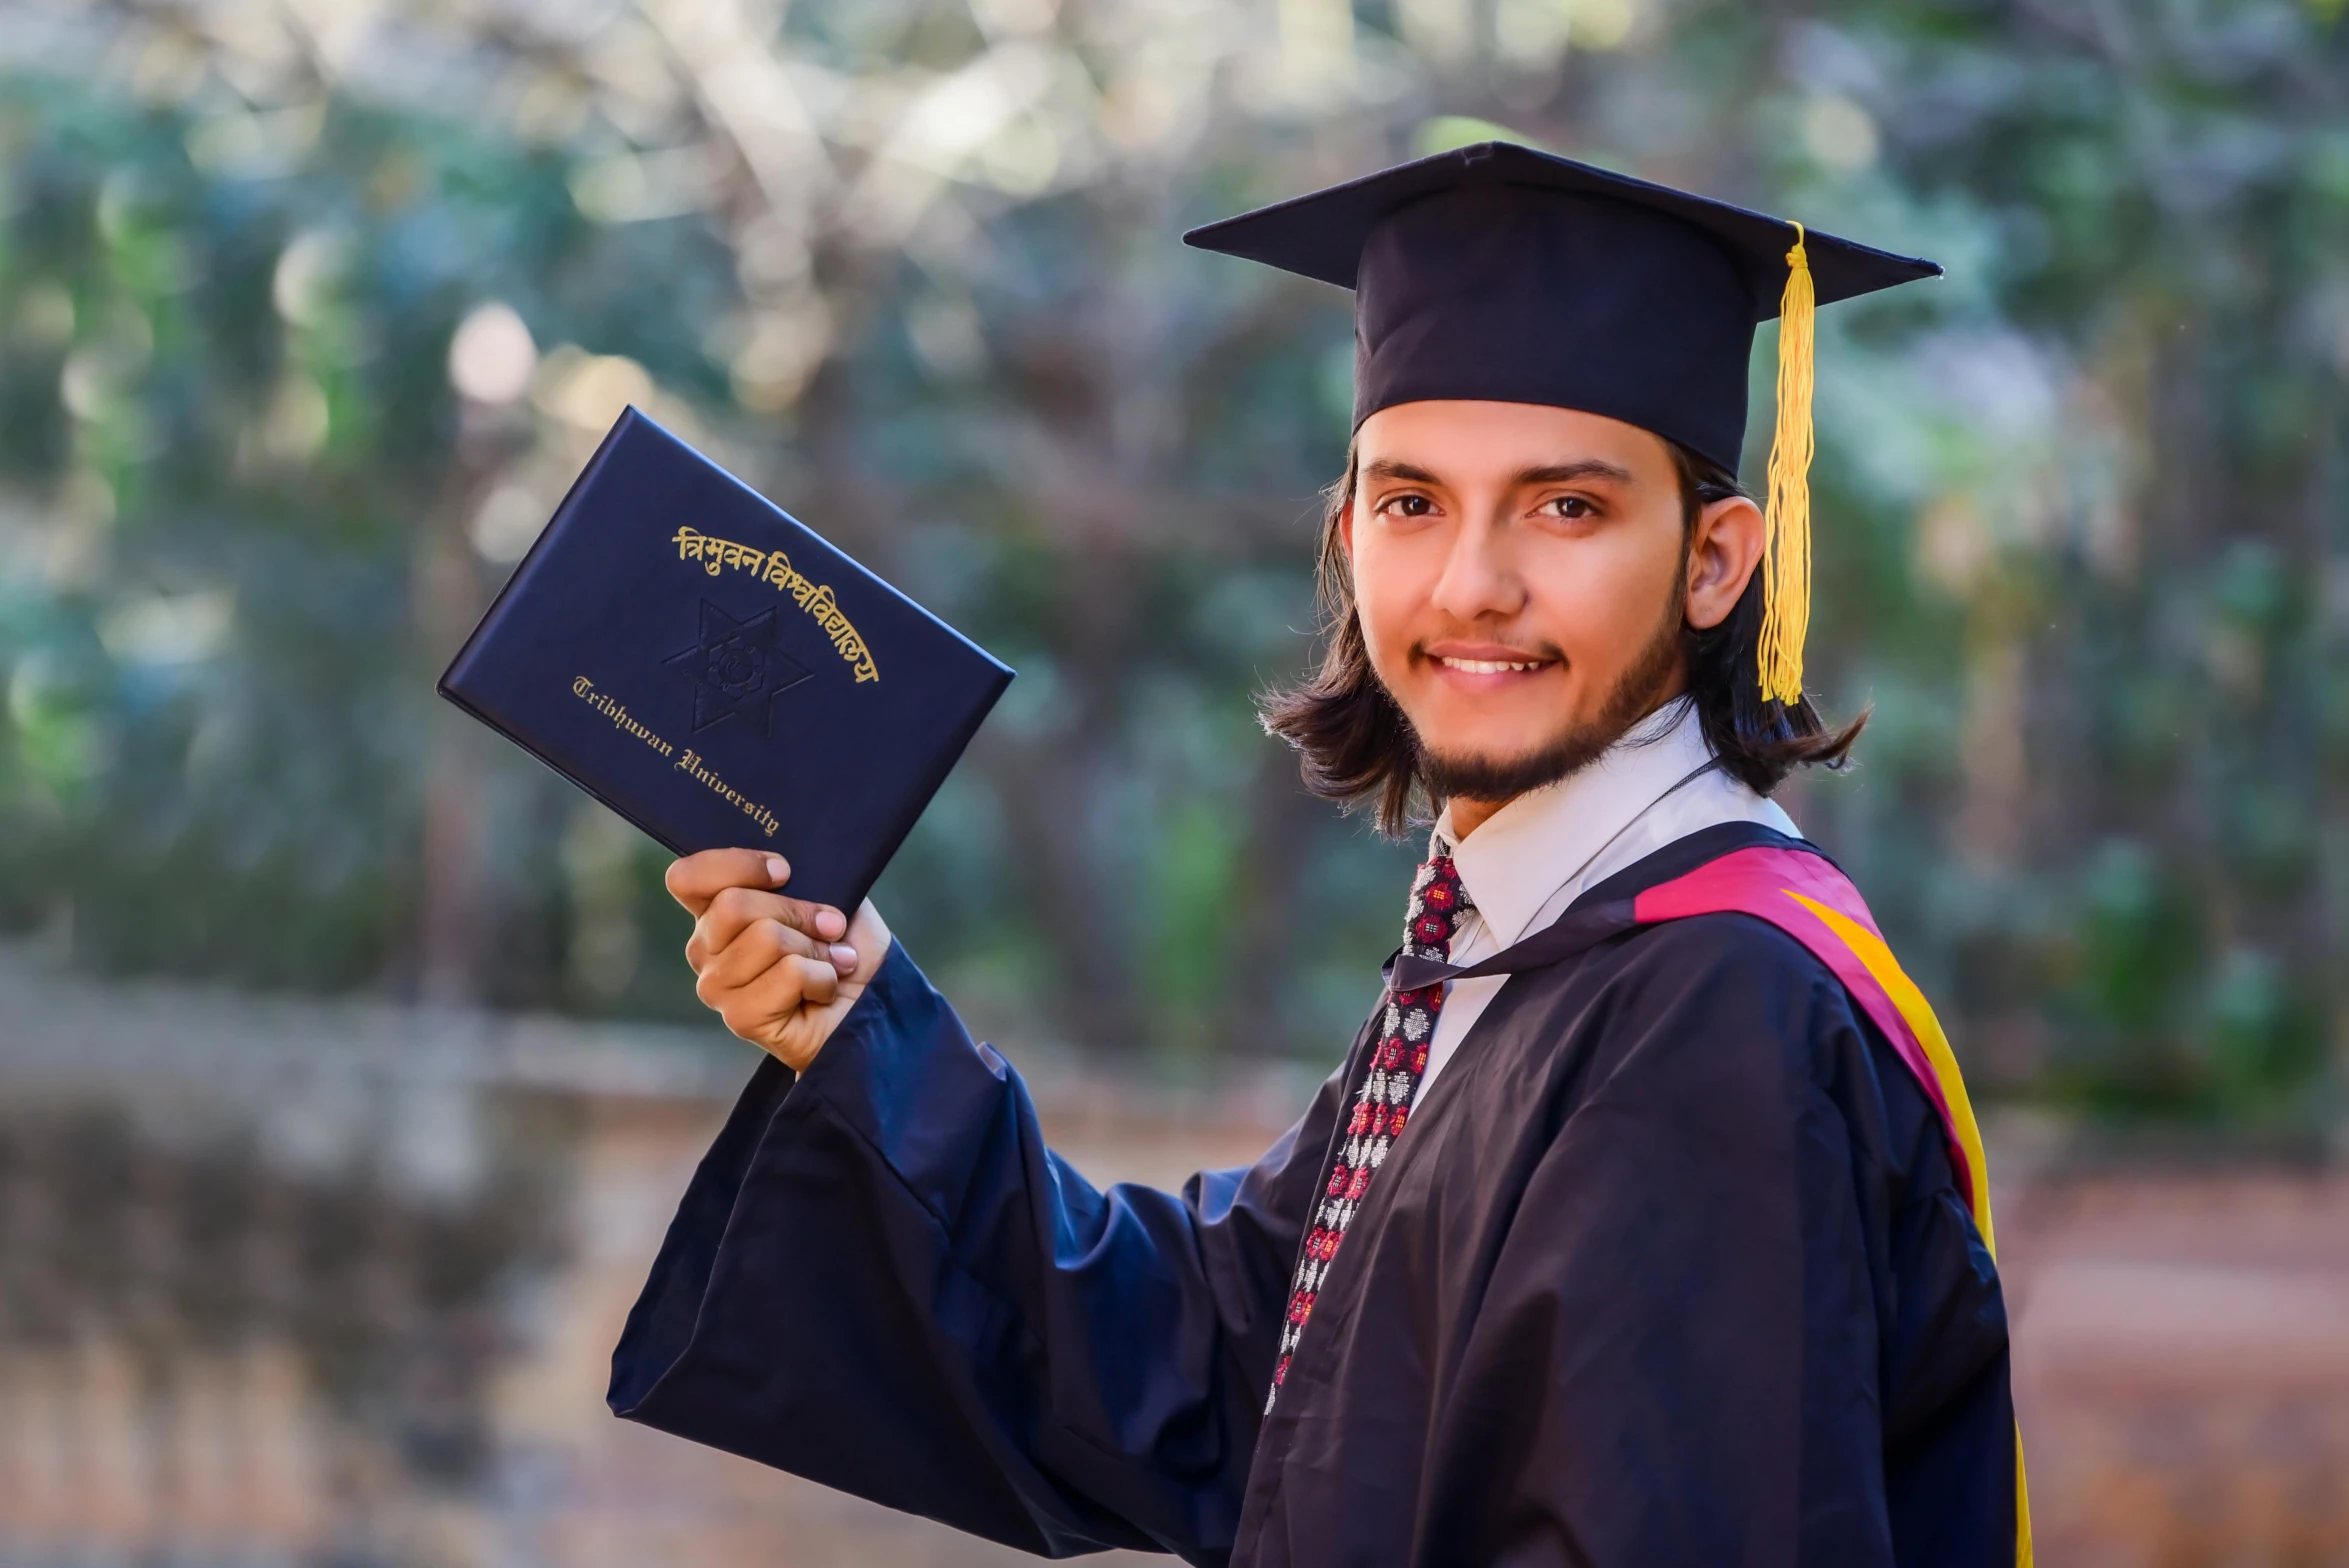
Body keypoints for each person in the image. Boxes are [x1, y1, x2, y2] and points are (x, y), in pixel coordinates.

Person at [608, 142, 2030, 1567]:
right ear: (1350, 537)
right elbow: (1242, 1375)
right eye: (1414, 503)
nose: (1473, 584)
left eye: (1567, 507)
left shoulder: (1719, 1010)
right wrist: (866, 1029)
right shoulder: (1525, 950)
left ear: (1718, 560)